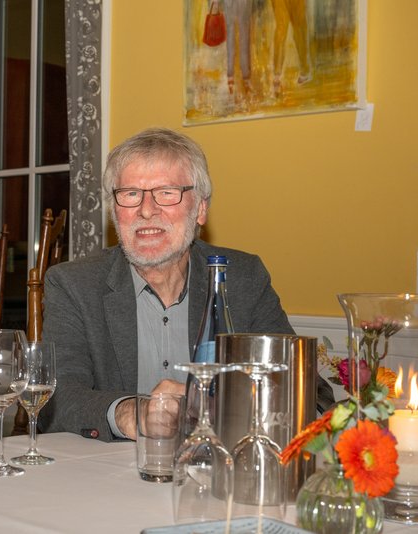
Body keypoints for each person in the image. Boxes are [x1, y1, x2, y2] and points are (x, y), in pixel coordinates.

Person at [38, 127, 334, 442]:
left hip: (224, 469)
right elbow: (55, 399)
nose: (147, 210)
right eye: (130, 194)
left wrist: (216, 407)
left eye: (167, 192)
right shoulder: (74, 284)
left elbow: (306, 390)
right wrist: (131, 413)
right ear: (114, 212)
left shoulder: (242, 278)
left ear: (200, 210)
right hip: (110, 473)